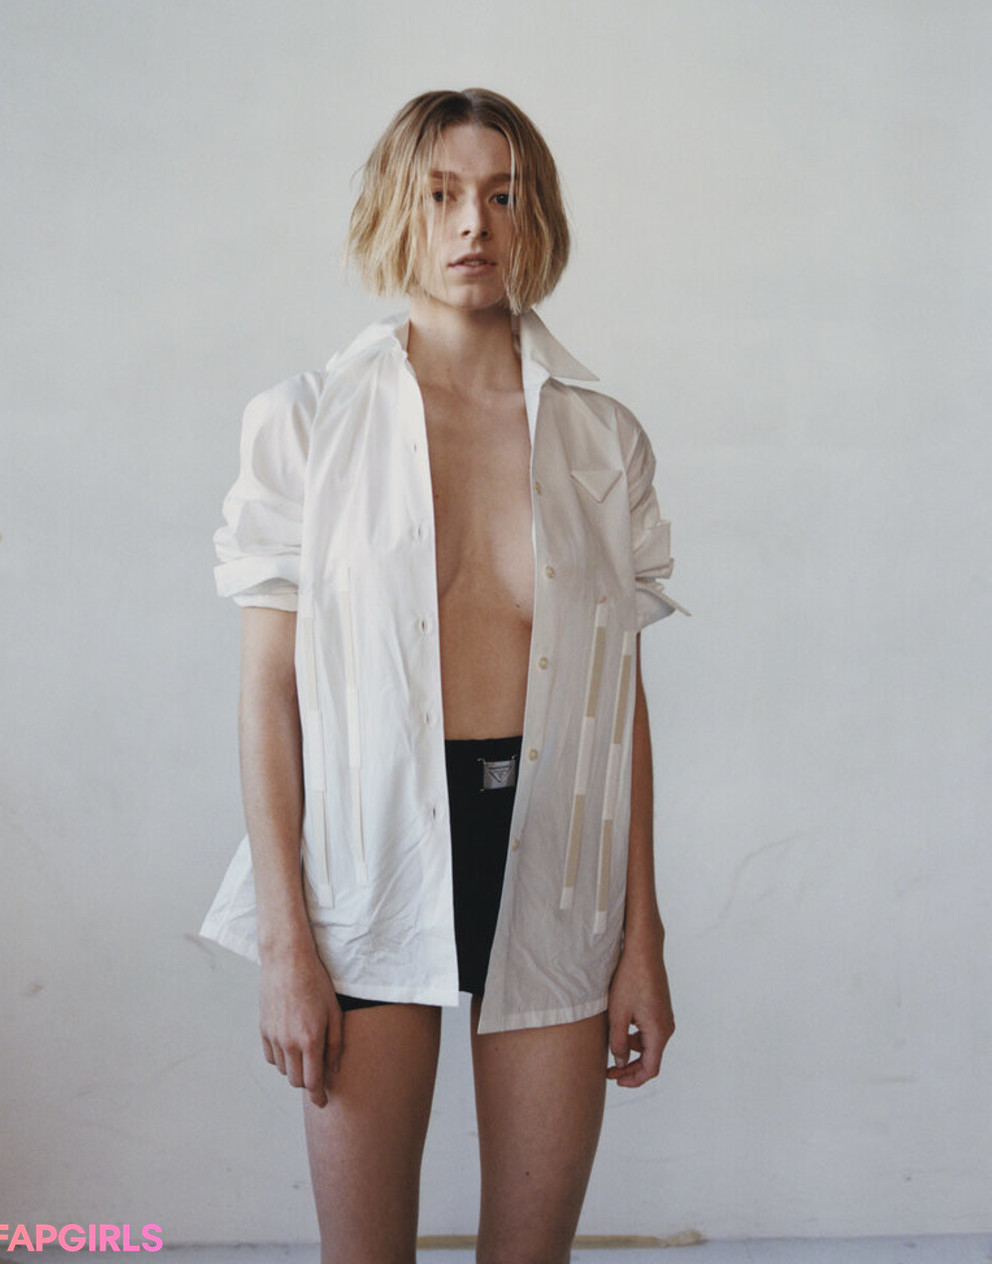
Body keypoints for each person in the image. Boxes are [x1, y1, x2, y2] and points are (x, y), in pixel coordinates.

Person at [201, 88, 684, 1264]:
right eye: (443, 193)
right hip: (366, 856)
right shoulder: (307, 423)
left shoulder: (600, 436)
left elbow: (616, 704)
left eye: (504, 195)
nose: (475, 222)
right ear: (395, 209)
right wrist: (286, 943)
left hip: (554, 856)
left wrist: (643, 938)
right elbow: (268, 696)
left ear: (536, 217)